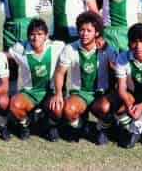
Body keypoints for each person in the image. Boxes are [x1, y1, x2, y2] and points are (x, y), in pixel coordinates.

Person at [49, 11, 117, 144]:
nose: (84, 34)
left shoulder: (107, 48)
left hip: (101, 93)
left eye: (89, 30)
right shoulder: (70, 49)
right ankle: (81, 126)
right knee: (68, 110)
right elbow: (60, 73)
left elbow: (118, 70)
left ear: (97, 33)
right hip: (80, 93)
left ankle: (102, 128)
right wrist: (58, 94)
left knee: (106, 108)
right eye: (81, 30)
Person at [8, 18, 65, 141]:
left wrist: (99, 41)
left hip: (49, 93)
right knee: (14, 105)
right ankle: (25, 124)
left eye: (39, 34)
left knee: (59, 108)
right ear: (28, 36)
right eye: (32, 34)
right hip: (29, 93)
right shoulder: (21, 48)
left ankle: (51, 126)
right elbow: (6, 55)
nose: (35, 38)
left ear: (46, 36)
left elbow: (75, 48)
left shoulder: (56, 47)